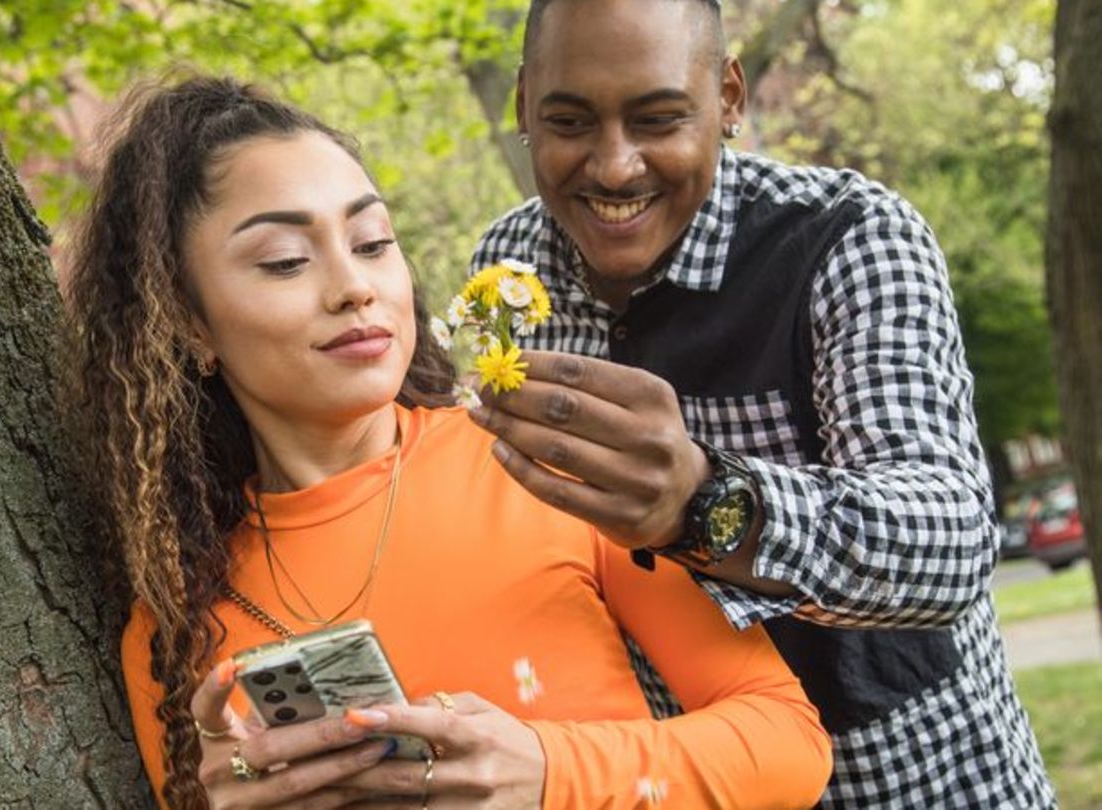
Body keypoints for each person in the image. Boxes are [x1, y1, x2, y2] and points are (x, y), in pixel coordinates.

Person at [63, 75, 832, 809]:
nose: (354, 286)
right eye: (285, 261)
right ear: (189, 324)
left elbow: (789, 744)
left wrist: (549, 772)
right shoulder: (176, 620)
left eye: (371, 242)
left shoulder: (545, 471)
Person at [468, 0, 1055, 806]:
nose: (613, 166)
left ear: (729, 99)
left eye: (658, 118)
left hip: (908, 775)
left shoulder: (850, 237)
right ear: (523, 104)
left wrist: (705, 503)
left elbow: (950, 543)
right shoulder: (507, 271)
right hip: (684, 778)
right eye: (569, 120)